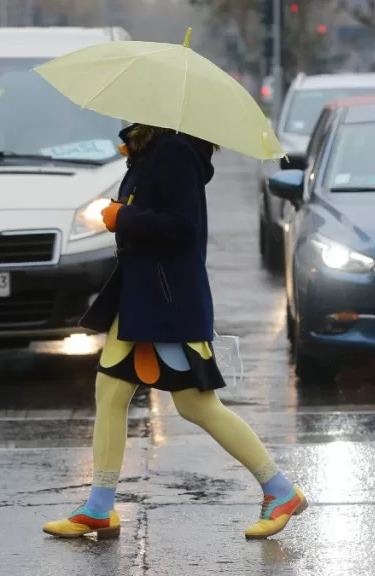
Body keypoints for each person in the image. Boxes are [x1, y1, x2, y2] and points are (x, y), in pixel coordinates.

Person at [42, 124, 308, 541]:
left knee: (197, 406)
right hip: (140, 300)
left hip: (167, 303)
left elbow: (183, 227)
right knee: (110, 393)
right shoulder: (153, 148)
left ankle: (279, 490)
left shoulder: (175, 151)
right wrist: (121, 211)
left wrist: (122, 216)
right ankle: (98, 507)